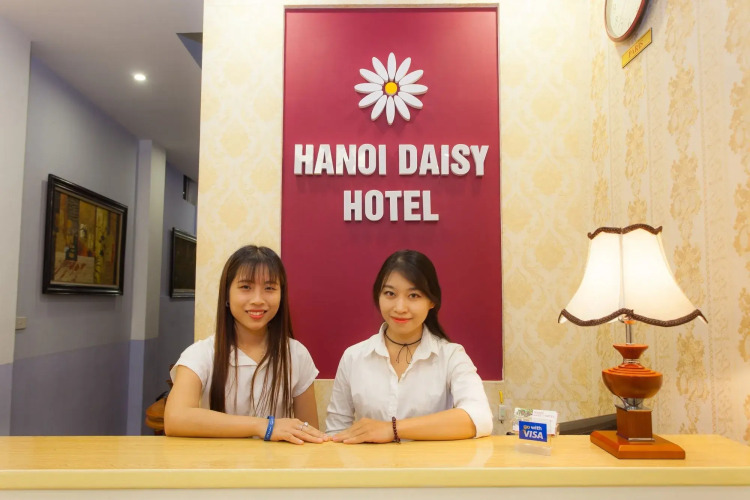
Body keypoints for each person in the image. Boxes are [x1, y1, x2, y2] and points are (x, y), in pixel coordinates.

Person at [326, 249, 493, 443]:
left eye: (413, 295)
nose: (400, 307)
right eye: (390, 293)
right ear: (378, 296)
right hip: (368, 463)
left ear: (432, 301)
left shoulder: (451, 356)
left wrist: (392, 429)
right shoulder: (353, 357)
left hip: (431, 463)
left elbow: (479, 417)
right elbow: (336, 431)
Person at [165, 245, 327, 444]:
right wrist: (264, 426)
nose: (258, 300)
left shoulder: (297, 354)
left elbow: (310, 433)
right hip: (218, 462)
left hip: (277, 463)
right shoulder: (201, 353)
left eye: (269, 288)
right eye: (245, 287)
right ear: (227, 294)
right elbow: (175, 418)